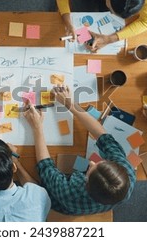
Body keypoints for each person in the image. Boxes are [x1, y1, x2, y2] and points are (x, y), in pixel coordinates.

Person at [23, 85, 135, 215]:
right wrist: (70, 104)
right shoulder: (127, 172)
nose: (92, 163)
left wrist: (37, 127)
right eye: (99, 163)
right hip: (99, 196)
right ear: (115, 165)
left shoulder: (72, 194)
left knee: (40, 192)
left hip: (65, 202)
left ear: (85, 183)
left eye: (89, 171)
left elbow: (46, 168)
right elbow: (103, 136)